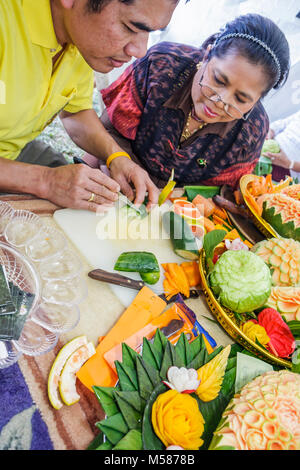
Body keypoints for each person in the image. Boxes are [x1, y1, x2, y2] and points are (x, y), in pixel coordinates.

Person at [0, 0, 180, 212]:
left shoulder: (77, 35)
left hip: (15, 150)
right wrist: (45, 181)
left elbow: (74, 112)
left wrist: (116, 157)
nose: (140, 51)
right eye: (130, 27)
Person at [83, 13, 290, 193]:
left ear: (255, 103)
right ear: (207, 55)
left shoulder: (251, 132)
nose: (220, 101)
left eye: (241, 99)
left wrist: (175, 202)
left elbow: (220, 193)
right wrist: (114, 163)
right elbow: (108, 130)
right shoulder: (162, 65)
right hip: (111, 174)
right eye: (218, 80)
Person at [263, 109, 300, 182]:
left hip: (287, 170)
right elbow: (281, 124)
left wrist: (289, 164)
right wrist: (269, 134)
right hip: (268, 147)